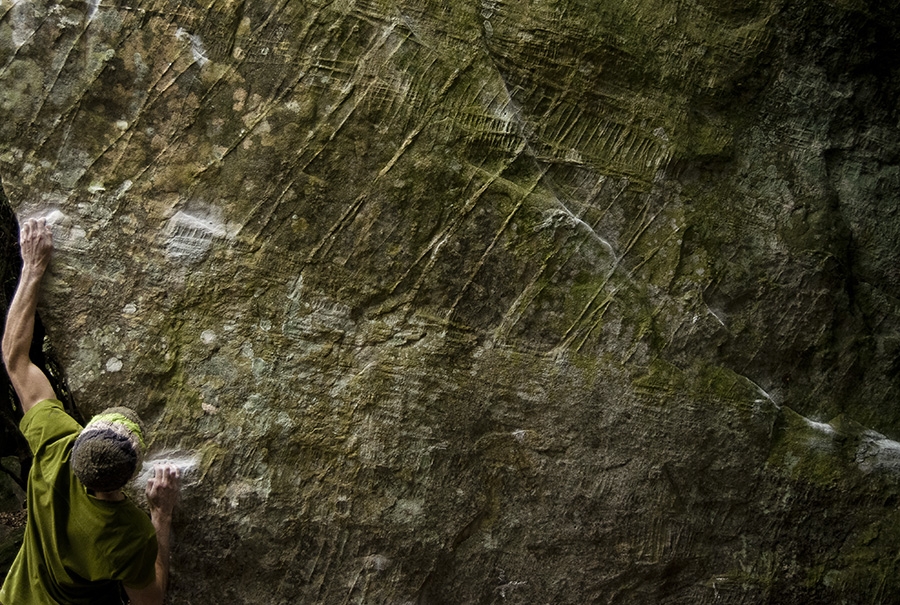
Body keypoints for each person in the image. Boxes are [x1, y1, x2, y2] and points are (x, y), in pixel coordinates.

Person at [0, 217, 180, 605]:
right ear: (132, 475)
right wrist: (160, 518)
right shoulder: (129, 534)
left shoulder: (53, 447)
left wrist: (32, 268)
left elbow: (15, 358)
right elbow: (150, 602)